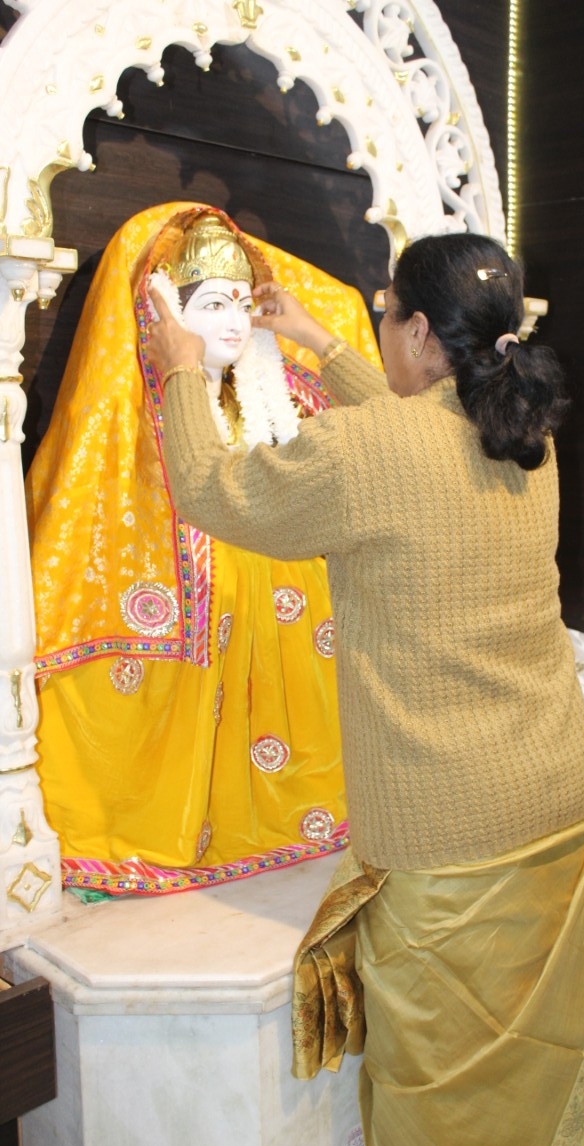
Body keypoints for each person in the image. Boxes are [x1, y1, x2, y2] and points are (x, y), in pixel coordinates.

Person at [147, 232, 584, 1146]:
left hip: (449, 842)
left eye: (388, 316)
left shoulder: (367, 452)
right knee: (544, 1057)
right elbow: (418, 440)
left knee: (444, 1091)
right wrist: (322, 343)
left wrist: (183, 371)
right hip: (556, 810)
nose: (384, 331)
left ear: (421, 332)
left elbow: (208, 488)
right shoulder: (527, 437)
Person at [26, 203, 381, 895]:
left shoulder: (268, 405)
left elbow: (370, 431)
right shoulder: (132, 420)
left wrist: (312, 331)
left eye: (243, 304)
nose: (234, 321)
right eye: (213, 303)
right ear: (163, 315)